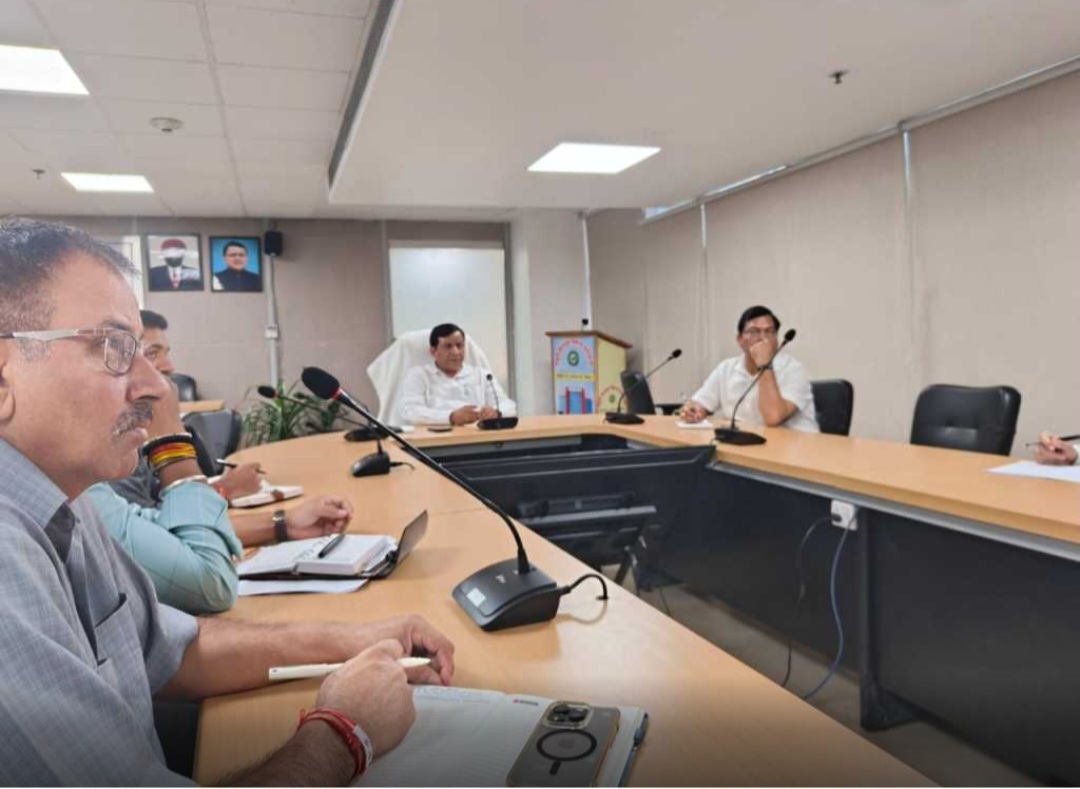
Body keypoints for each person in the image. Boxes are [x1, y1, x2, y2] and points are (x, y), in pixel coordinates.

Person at [0, 218, 454, 785]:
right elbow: (204, 587)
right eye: (113, 347)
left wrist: (358, 638)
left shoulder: (68, 504)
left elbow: (174, 651)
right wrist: (345, 732)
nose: (157, 386)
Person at [682, 305, 819, 432]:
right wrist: (694, 410)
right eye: (754, 331)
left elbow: (773, 418)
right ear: (739, 339)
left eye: (769, 331)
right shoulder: (726, 369)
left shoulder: (793, 370)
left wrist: (765, 364)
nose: (763, 338)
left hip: (794, 447)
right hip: (745, 444)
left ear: (776, 338)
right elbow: (699, 402)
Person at [399, 323, 516, 426]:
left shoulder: (482, 375)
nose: (455, 352)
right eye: (448, 346)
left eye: (459, 346)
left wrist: (496, 412)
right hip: (436, 439)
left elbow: (509, 406)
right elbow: (410, 411)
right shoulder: (419, 376)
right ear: (433, 351)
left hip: (477, 437)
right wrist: (451, 417)